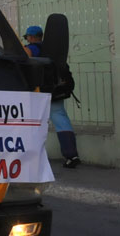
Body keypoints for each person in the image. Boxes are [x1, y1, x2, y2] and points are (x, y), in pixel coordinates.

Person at [24, 25, 81, 168]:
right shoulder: (53, 49)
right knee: (62, 121)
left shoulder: (34, 48)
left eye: (27, 37)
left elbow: (26, 55)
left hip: (39, 92)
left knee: (33, 123)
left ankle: (32, 157)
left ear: (31, 37)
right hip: (56, 91)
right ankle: (71, 155)